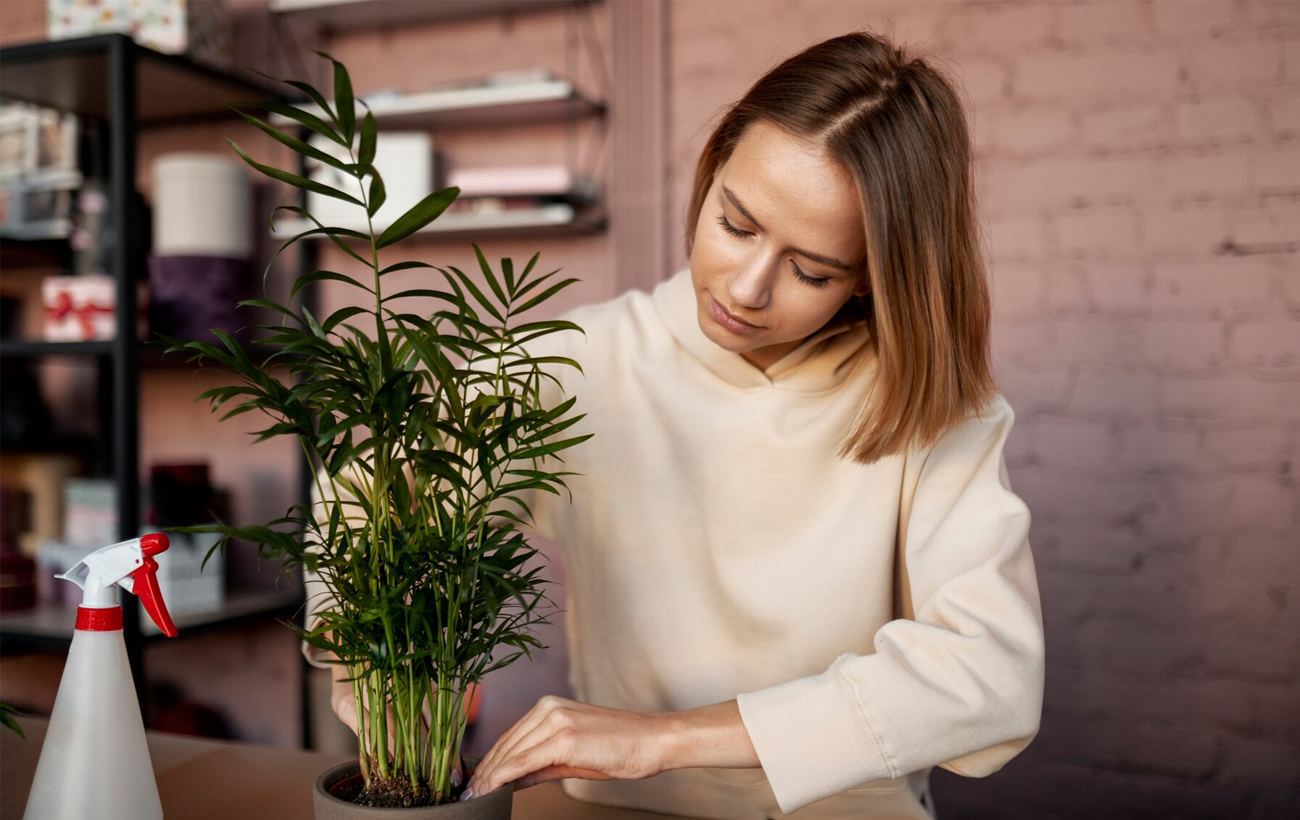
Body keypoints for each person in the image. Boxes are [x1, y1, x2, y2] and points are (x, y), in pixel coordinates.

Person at [306, 29, 1044, 820]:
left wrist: (659, 739)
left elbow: (990, 676)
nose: (748, 288)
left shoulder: (933, 405)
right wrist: (373, 666)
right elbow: (372, 492)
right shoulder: (578, 365)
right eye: (735, 223)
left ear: (870, 281)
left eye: (811, 270)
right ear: (714, 166)